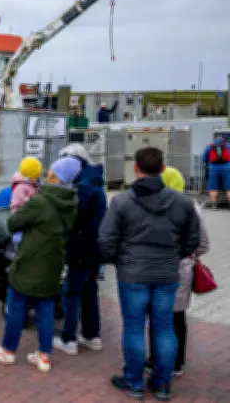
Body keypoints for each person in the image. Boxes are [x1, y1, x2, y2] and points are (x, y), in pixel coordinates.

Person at [99, 147, 201, 401]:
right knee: (164, 328)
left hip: (132, 274)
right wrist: (173, 257)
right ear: (163, 168)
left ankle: (134, 382)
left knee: (133, 328)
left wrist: (118, 261)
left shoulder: (121, 201)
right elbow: (192, 241)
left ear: (135, 168)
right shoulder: (183, 203)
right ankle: (162, 384)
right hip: (167, 274)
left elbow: (105, 238)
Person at [0, 156, 80, 374]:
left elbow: (13, 222)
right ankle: (43, 355)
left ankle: (7, 350)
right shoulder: (71, 204)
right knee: (45, 309)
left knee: (16, 305)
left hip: (29, 262)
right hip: (53, 264)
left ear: (55, 175)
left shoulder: (40, 202)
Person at [142, 166, 209, 378]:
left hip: (153, 269)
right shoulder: (192, 208)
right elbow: (204, 244)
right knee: (177, 317)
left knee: (156, 316)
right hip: (182, 270)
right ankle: (177, 362)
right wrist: (187, 255)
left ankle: (155, 360)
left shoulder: (148, 206)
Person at [53, 144, 108, 356]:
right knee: (90, 291)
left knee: (72, 291)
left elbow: (73, 218)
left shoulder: (83, 186)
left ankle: (69, 338)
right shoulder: (94, 181)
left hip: (81, 248)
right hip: (96, 248)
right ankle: (92, 335)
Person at [8, 157, 43, 246]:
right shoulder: (21, 187)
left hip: (29, 223)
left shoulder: (34, 185)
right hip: (21, 226)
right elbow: (17, 205)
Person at [201, 137, 230, 209]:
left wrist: (209, 161)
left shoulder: (209, 147)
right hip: (227, 169)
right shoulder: (228, 146)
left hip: (213, 169)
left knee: (213, 188)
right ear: (224, 141)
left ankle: (214, 205)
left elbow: (204, 158)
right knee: (228, 188)